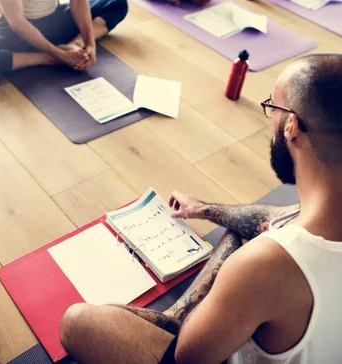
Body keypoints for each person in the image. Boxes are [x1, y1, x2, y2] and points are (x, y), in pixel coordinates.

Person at [59, 54, 342, 363]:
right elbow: (272, 218)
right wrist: (203, 209)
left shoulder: (265, 264)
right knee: (243, 230)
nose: (269, 118)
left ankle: (176, 315)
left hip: (203, 351)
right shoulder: (324, 208)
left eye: (272, 106)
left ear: (292, 125)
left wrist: (200, 309)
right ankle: (177, 314)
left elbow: (188, 356)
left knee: (78, 322)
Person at [0, 0, 129, 75]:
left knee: (117, 2)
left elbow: (78, 1)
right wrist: (57, 55)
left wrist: (88, 43)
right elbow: (17, 22)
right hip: (14, 30)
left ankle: (73, 45)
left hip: (55, 19)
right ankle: (48, 58)